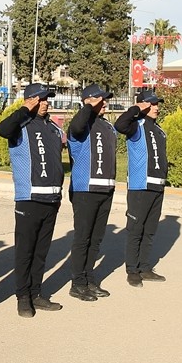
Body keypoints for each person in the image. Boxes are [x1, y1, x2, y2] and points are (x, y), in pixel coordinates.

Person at [0, 83, 65, 317]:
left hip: (52, 198)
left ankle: (37, 293)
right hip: (29, 198)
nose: (46, 103)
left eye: (47, 99)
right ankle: (23, 297)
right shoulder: (20, 125)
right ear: (31, 100)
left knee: (41, 251)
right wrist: (25, 109)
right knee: (26, 251)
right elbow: (3, 129)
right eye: (41, 99)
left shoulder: (53, 129)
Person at [66, 84, 118, 301]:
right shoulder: (80, 124)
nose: (104, 102)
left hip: (105, 189)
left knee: (96, 239)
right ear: (88, 101)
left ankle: (89, 279)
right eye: (100, 99)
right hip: (85, 190)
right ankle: (77, 283)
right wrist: (89, 106)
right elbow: (77, 127)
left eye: (105, 99)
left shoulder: (107, 126)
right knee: (83, 238)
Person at [115, 88, 168, 287]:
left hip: (157, 186)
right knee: (136, 229)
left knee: (150, 229)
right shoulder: (135, 126)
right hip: (140, 185)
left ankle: (145, 267)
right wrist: (137, 107)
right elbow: (119, 124)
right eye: (151, 104)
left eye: (157, 104)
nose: (156, 107)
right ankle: (132, 270)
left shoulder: (159, 130)